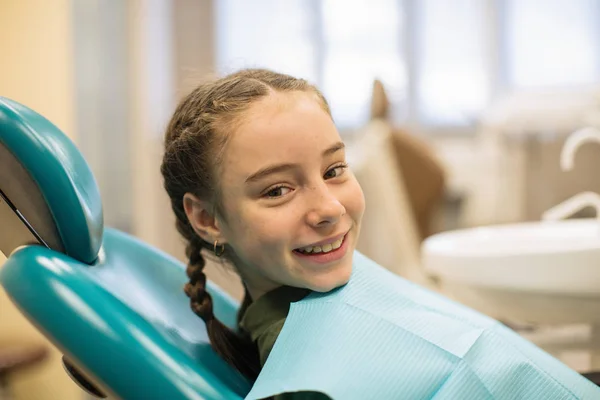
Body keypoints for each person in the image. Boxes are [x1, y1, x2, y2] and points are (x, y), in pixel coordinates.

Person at [160, 69, 598, 399]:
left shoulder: (317, 290)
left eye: (334, 170)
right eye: (277, 190)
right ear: (207, 218)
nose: (330, 209)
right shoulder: (308, 381)